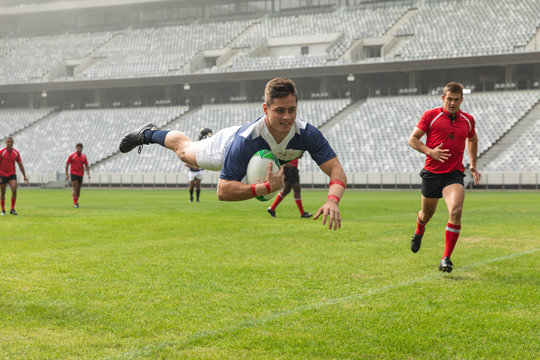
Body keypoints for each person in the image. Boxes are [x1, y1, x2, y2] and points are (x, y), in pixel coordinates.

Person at [119, 78, 346, 229]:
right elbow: (223, 191)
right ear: (265, 109)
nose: (287, 117)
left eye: (292, 110)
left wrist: (332, 200)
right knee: (184, 151)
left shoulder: (307, 134)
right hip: (225, 146)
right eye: (280, 111)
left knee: (191, 150)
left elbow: (336, 171)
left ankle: (204, 138)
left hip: (256, 158)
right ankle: (148, 134)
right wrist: (266, 188)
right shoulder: (247, 140)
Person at [408, 82, 481, 273]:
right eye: (449, 99)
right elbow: (413, 139)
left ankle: (446, 258)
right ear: (443, 98)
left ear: (461, 100)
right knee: (426, 215)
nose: (452, 103)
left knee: (456, 211)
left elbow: (472, 139)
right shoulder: (431, 116)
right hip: (432, 173)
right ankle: (419, 230)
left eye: (456, 100)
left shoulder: (468, 120)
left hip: (453, 174)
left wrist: (472, 164)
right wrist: (430, 151)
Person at [0, 137, 28, 215]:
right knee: (3, 192)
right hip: (2, 174)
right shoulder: (1, 152)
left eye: (11, 142)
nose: (10, 143)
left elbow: (20, 164)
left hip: (12, 174)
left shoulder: (16, 152)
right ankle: (3, 210)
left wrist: (24, 176)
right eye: (8, 141)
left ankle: (12, 209)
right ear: (6, 142)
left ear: (13, 143)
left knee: (14, 190)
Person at [186, 128, 213, 203]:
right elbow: (186, 163)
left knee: (198, 185)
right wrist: (193, 167)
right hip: (192, 171)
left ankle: (197, 199)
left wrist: (202, 166)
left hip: (199, 171)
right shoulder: (193, 148)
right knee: (191, 186)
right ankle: (191, 198)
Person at [65, 143, 90, 208]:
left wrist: (88, 173)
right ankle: (75, 203)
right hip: (73, 173)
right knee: (75, 187)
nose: (79, 149)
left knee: (78, 190)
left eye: (80, 148)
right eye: (77, 148)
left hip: (80, 174)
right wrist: (67, 174)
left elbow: (86, 165)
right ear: (76, 148)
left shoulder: (84, 156)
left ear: (82, 149)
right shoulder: (72, 156)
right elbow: (67, 164)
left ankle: (76, 201)